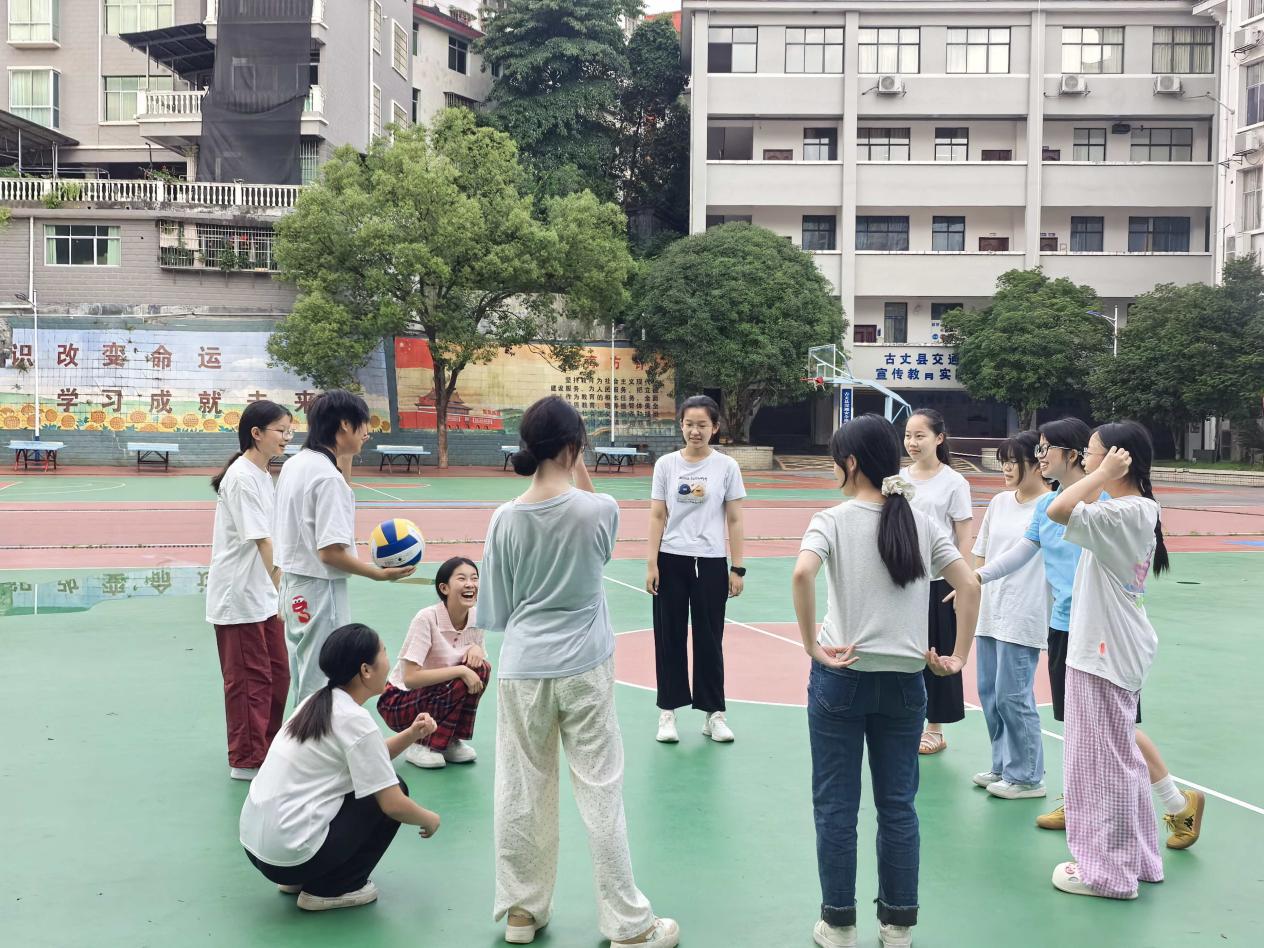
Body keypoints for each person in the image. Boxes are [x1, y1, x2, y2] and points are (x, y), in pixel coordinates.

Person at [481, 395, 679, 948]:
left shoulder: (504, 518)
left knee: (521, 789)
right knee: (600, 790)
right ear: (575, 447)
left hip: (523, 667)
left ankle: (522, 912)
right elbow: (596, 530)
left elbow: (496, 611)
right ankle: (628, 924)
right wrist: (577, 460)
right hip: (585, 667)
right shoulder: (601, 509)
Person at [792, 414, 980, 948]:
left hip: (843, 677)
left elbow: (802, 573)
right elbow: (969, 585)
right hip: (905, 682)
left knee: (836, 805)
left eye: (835, 459)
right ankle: (897, 925)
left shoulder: (831, 520)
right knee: (898, 806)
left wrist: (811, 645)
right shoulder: (920, 521)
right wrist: (958, 656)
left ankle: (839, 923)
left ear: (850, 463)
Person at [978, 418, 1204, 846]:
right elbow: (1024, 551)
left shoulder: (1105, 503)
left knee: (1116, 731)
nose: (1040, 456)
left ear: (1075, 454)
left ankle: (1169, 804)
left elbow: (1070, 512)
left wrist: (1099, 475)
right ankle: (1082, 800)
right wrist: (978, 578)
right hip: (1069, 626)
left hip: (1104, 636)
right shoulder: (1061, 502)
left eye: (1046, 448)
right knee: (1081, 727)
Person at [1046, 422, 1169, 899]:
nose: (1085, 459)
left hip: (1103, 653)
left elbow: (1058, 509)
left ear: (1119, 459)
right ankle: (1139, 861)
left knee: (1098, 766)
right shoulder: (1134, 511)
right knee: (1121, 762)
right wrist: (1102, 476)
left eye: (1091, 452)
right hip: (1113, 649)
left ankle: (1107, 873)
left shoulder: (1123, 512)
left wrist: (1101, 475)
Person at [240, 623, 442, 912]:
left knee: (372, 782)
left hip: (259, 849)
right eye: (384, 652)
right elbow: (393, 804)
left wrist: (411, 735)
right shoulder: (355, 720)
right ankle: (334, 888)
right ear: (365, 670)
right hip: (291, 857)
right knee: (394, 787)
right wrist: (429, 818)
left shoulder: (315, 702)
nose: (389, 661)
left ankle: (299, 878)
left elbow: (369, 759)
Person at [273, 390, 414, 703]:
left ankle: (302, 732)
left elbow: (339, 488)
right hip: (320, 590)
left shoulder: (297, 464)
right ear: (345, 425)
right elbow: (330, 553)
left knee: (305, 674)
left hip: (294, 585)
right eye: (363, 424)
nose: (367, 432)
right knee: (324, 680)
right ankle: (314, 735)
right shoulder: (327, 478)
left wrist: (346, 455)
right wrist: (378, 574)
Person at [645, 394, 747, 744]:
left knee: (709, 640)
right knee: (669, 638)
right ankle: (667, 712)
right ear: (681, 425)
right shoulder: (666, 465)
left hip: (711, 562)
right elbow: (657, 515)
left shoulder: (726, 467)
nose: (695, 431)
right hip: (671, 560)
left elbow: (735, 519)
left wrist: (738, 568)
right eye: (689, 424)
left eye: (702, 425)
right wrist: (651, 562)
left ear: (715, 427)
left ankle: (713, 714)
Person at [206, 399, 294, 781]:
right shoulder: (241, 477)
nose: (287, 438)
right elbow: (263, 541)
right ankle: (246, 759)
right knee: (249, 681)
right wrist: (283, 587)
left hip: (263, 595)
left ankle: (267, 748)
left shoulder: (263, 474)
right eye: (281, 431)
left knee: (278, 675)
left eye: (290, 431)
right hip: (239, 597)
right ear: (256, 433)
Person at [966, 431, 1050, 799]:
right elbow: (981, 552)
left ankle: (1028, 776)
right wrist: (973, 592)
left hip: (1024, 611)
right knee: (989, 693)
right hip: (991, 610)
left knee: (1012, 696)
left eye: (1014, 461)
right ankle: (1002, 765)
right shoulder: (999, 502)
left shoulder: (1051, 506)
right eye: (1004, 462)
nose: (1006, 468)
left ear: (1037, 463)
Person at [900, 408, 972, 756]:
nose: (912, 442)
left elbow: (964, 536)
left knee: (937, 653)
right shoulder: (898, 479)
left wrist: (962, 582)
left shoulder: (954, 482)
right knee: (905, 651)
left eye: (920, 436)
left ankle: (935, 728)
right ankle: (905, 720)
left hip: (939, 580)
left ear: (939, 438)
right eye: (907, 435)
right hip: (904, 579)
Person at [378, 556, 490, 770]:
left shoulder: (477, 618)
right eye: (462, 578)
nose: (470, 584)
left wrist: (476, 649)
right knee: (464, 675)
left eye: (474, 578)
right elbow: (410, 678)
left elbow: (475, 663)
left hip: (434, 695)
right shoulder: (426, 618)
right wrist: (460, 670)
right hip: (399, 701)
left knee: (481, 670)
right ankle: (419, 742)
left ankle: (448, 740)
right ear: (444, 588)